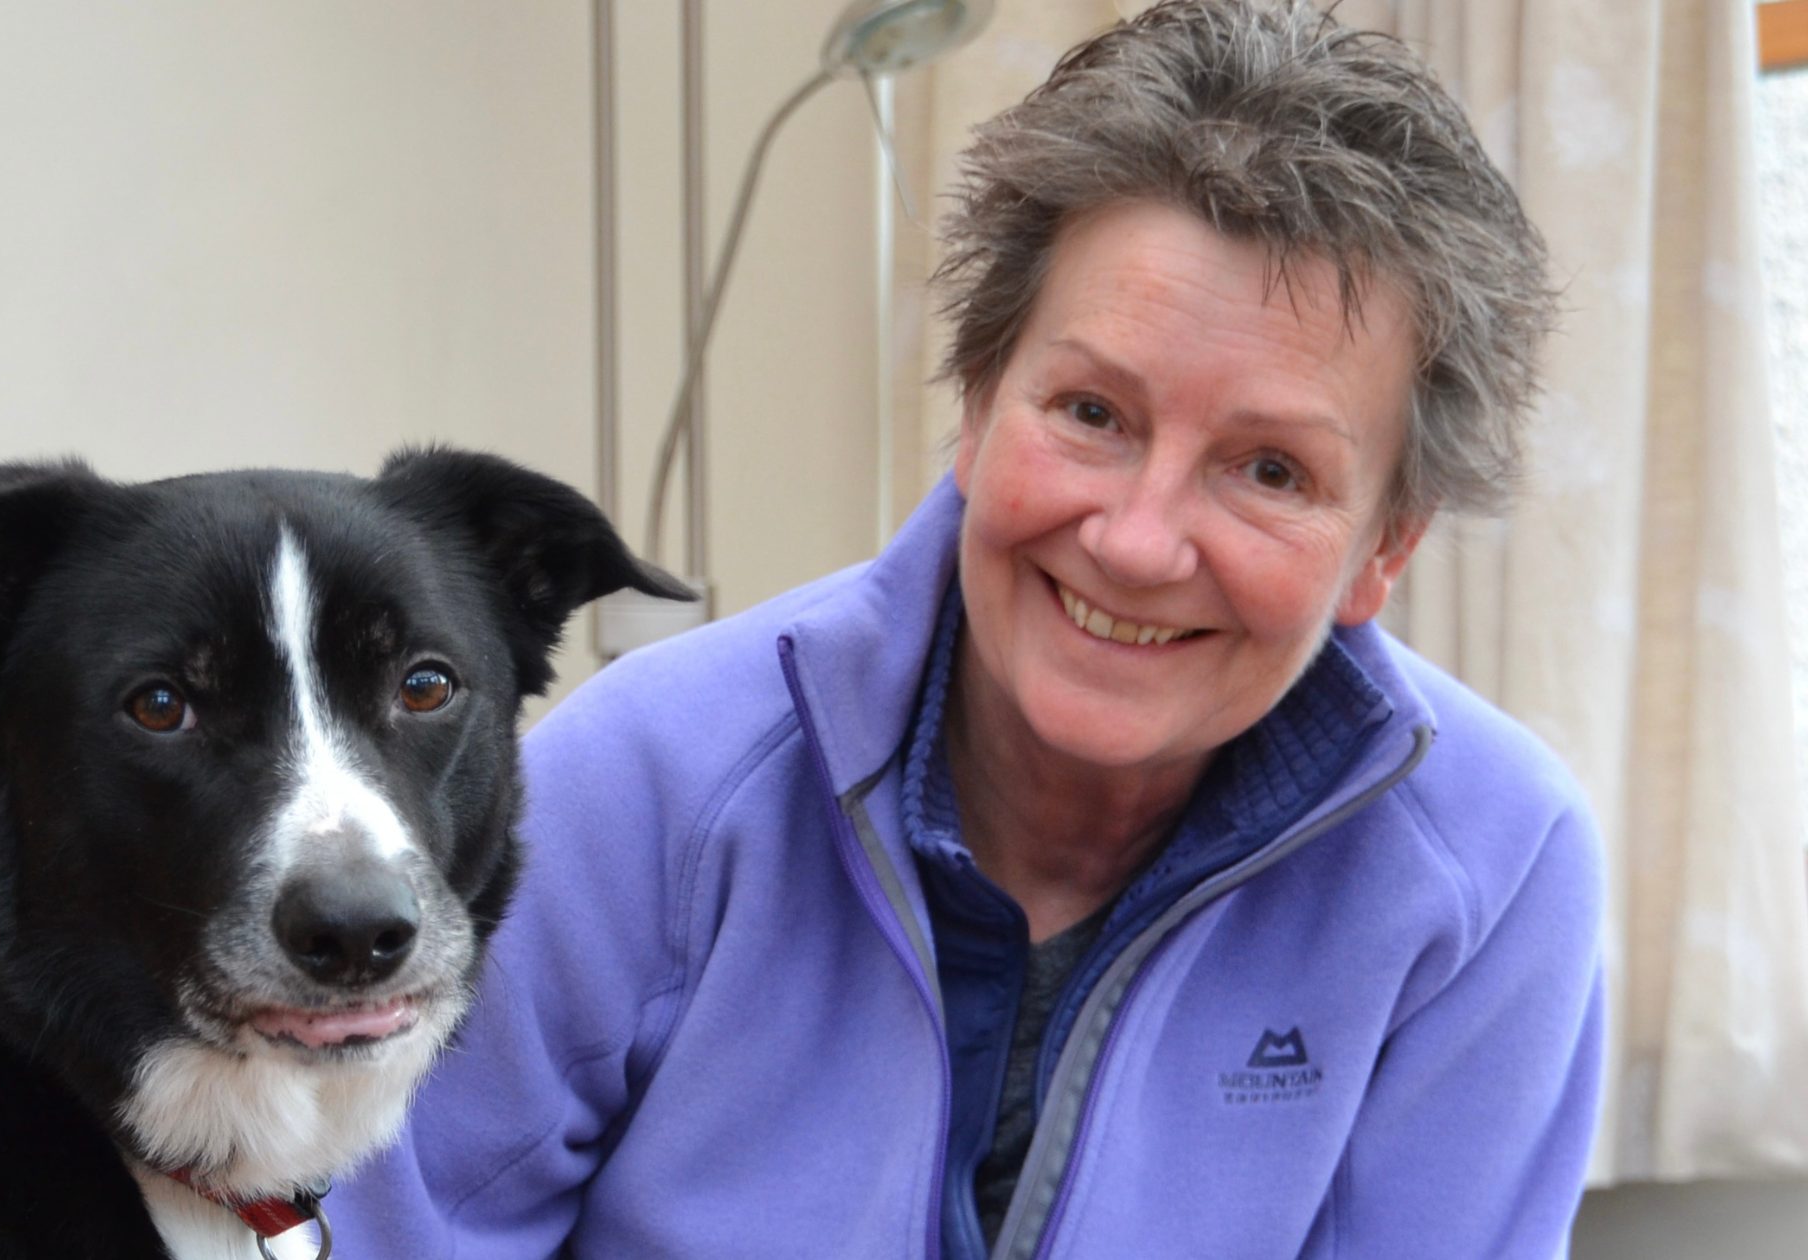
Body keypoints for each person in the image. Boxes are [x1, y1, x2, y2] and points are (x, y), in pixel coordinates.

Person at [330, 1, 1602, 1256]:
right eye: (1092, 412)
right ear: (978, 405)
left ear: (1385, 545)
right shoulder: (640, 789)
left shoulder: (1497, 870)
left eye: (1269, 470)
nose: (1137, 542)